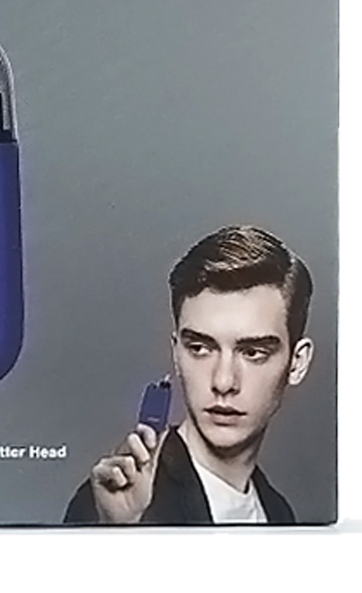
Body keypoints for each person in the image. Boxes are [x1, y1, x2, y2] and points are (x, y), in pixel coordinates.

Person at [64, 225, 314, 525]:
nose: (223, 382)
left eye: (252, 353)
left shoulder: (278, 511)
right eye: (200, 348)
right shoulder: (115, 503)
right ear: (176, 353)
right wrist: (120, 530)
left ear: (297, 363)